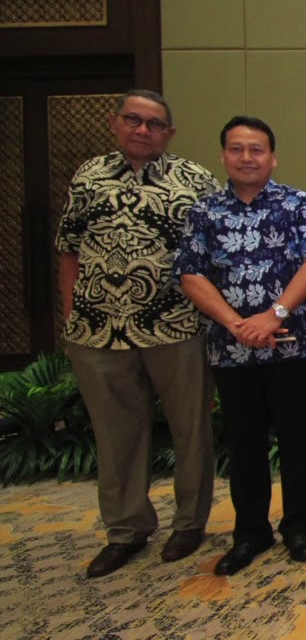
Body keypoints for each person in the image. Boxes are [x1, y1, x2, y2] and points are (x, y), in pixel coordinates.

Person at [56, 90, 217, 578]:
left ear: (169, 133)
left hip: (176, 327)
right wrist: (72, 316)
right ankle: (126, 529)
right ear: (115, 122)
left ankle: (189, 524)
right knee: (116, 435)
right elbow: (69, 249)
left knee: (192, 430)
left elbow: (213, 255)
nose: (142, 130)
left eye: (154, 124)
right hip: (99, 332)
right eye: (133, 120)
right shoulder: (88, 176)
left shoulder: (194, 180)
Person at [175, 116, 306, 575]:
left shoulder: (299, 204)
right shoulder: (203, 213)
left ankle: (299, 527)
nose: (247, 157)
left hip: (294, 343)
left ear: (273, 157)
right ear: (223, 155)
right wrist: (238, 324)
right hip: (232, 347)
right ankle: (250, 533)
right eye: (237, 149)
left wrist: (273, 315)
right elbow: (190, 274)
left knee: (297, 438)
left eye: (256, 149)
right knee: (244, 443)